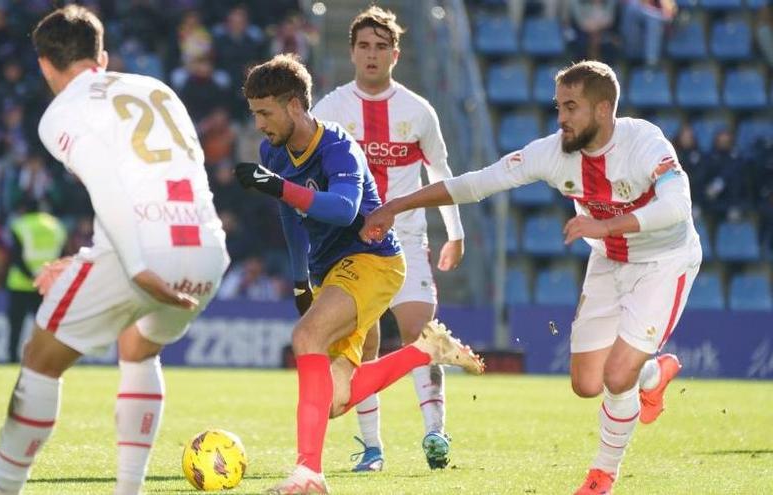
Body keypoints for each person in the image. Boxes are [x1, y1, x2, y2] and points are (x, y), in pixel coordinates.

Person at [360, 60, 701, 495]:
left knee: (616, 378)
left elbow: (677, 207)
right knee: (585, 384)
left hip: (663, 262)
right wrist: (397, 205)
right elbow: (478, 183)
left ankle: (602, 476)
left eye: (571, 107)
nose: (561, 118)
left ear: (602, 110)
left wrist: (605, 226)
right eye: (558, 106)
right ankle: (652, 375)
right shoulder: (553, 152)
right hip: (608, 260)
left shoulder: (644, 142)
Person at [0, 6, 229, 495]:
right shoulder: (158, 88)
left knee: (41, 358)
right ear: (103, 57)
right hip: (206, 248)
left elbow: (108, 184)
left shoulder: (61, 112)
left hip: (143, 251)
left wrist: (133, 264)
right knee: (137, 346)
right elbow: (164, 179)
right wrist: (94, 259)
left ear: (45, 65)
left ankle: (1, 490)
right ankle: (127, 491)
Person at [237, 54, 484, 494]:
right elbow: (291, 215)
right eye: (255, 112)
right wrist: (299, 279)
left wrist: (278, 185)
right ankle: (424, 351)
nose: (259, 123)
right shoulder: (273, 150)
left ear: (295, 105)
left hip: (373, 260)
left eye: (265, 112)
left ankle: (308, 475)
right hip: (329, 271)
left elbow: (344, 209)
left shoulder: (337, 147)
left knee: (305, 338)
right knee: (335, 399)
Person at [311, 6, 465, 471]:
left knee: (419, 334)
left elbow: (442, 175)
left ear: (395, 54)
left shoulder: (418, 111)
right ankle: (372, 448)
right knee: (363, 345)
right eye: (364, 46)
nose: (372, 55)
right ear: (352, 51)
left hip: (408, 240)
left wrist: (454, 234)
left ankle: (435, 433)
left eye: (381, 47)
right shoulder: (331, 109)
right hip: (350, 248)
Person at [4, 197, 66, 363]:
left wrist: (30, 275)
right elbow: (62, 255)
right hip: (47, 284)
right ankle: (49, 357)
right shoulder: (56, 226)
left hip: (20, 284)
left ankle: (12, 357)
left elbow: (15, 257)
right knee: (47, 325)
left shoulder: (20, 225)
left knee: (16, 324)